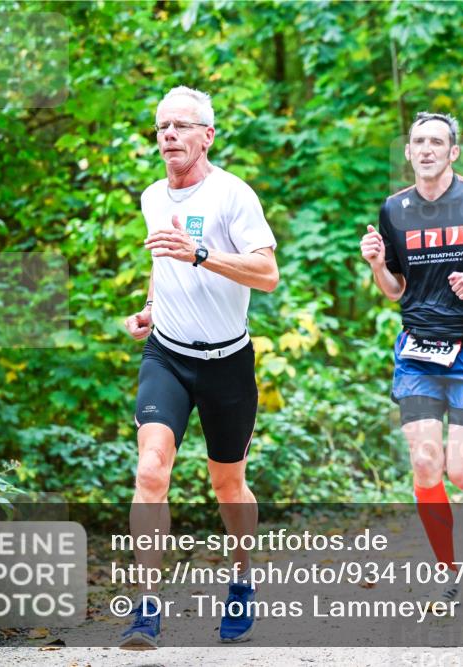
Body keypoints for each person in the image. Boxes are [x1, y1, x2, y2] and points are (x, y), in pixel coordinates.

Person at [120, 86, 279, 649]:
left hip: (227, 361)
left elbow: (267, 274)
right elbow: (164, 270)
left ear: (207, 135)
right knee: (151, 471)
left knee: (228, 485)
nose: (168, 136)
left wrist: (202, 254)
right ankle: (146, 609)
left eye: (181, 126)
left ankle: (241, 578)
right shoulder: (151, 197)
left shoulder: (233, 196)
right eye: (162, 127)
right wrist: (149, 309)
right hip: (167, 354)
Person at [359, 111, 463, 605]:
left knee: (461, 473)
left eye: (438, 141)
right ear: (409, 152)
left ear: (453, 152)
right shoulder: (395, 210)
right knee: (425, 463)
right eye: (419, 141)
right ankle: (446, 569)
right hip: (417, 351)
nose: (428, 149)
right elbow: (394, 290)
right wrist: (376, 263)